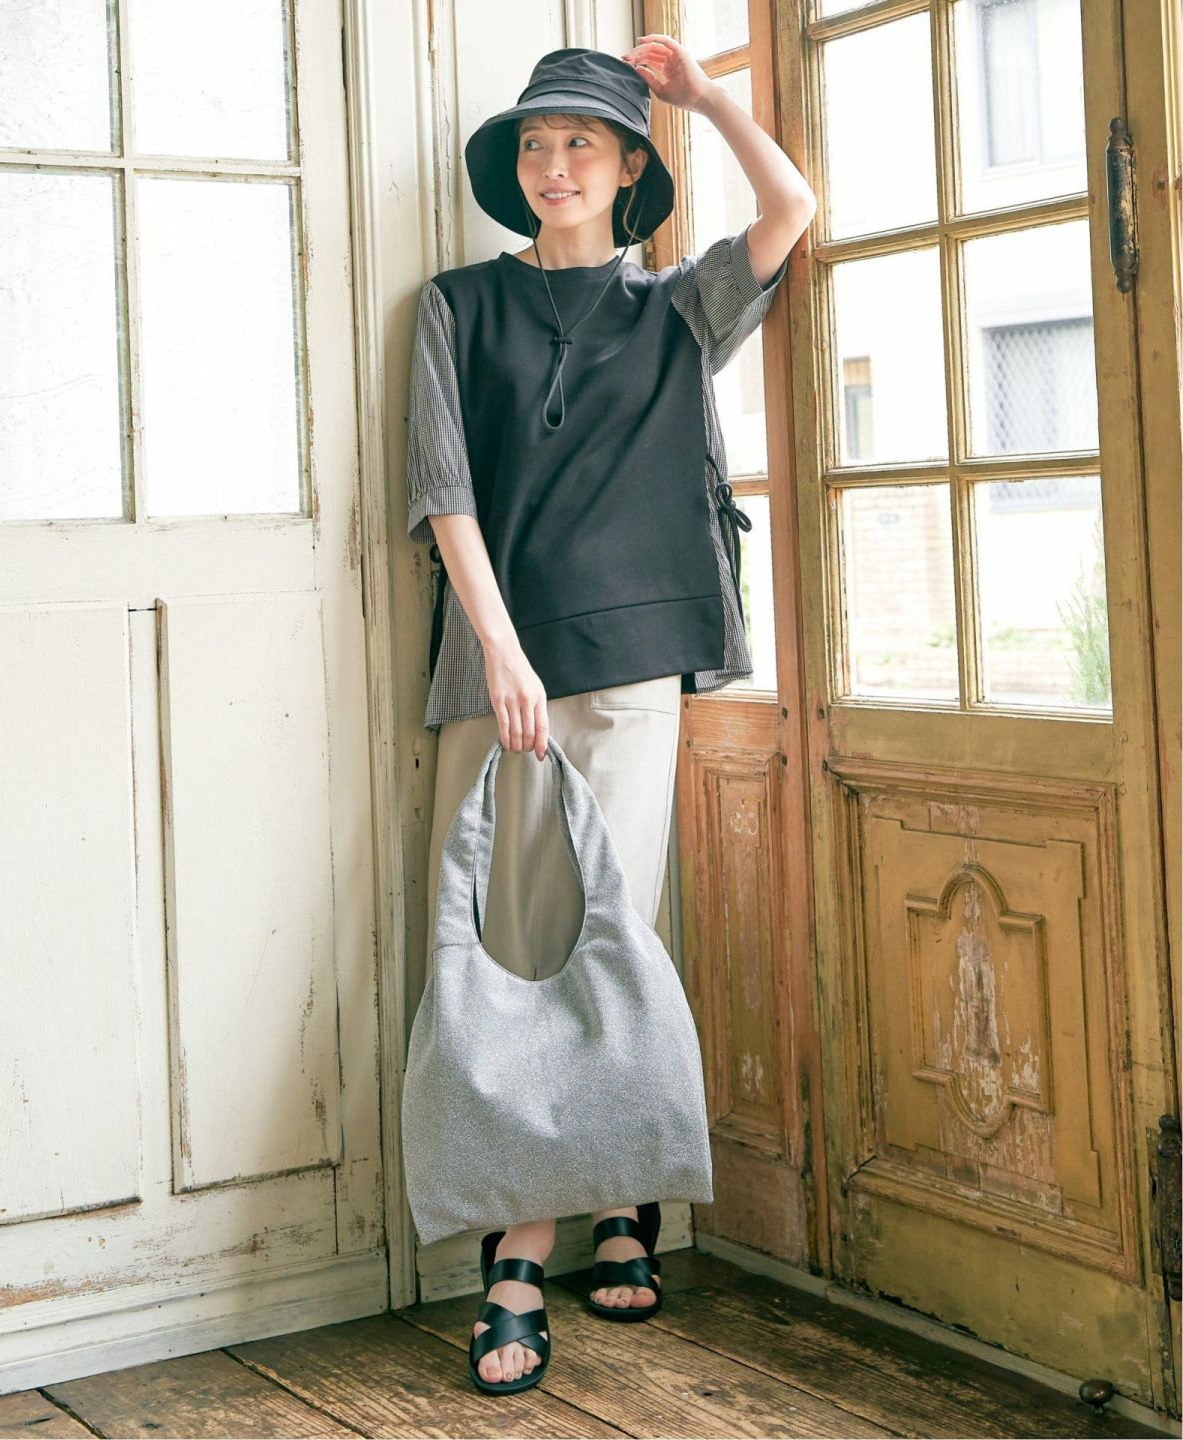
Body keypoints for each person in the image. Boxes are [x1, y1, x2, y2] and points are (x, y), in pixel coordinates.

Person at [404, 37, 815, 1395]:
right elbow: (444, 491)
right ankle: (548, 1222)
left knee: (613, 932)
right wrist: (501, 650)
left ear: (632, 166)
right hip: (504, 672)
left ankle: (566, 1229)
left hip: (636, 667)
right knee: (514, 944)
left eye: (582, 142)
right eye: (535, 144)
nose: (554, 165)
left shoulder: (678, 309)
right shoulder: (456, 307)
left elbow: (792, 208)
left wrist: (705, 97)